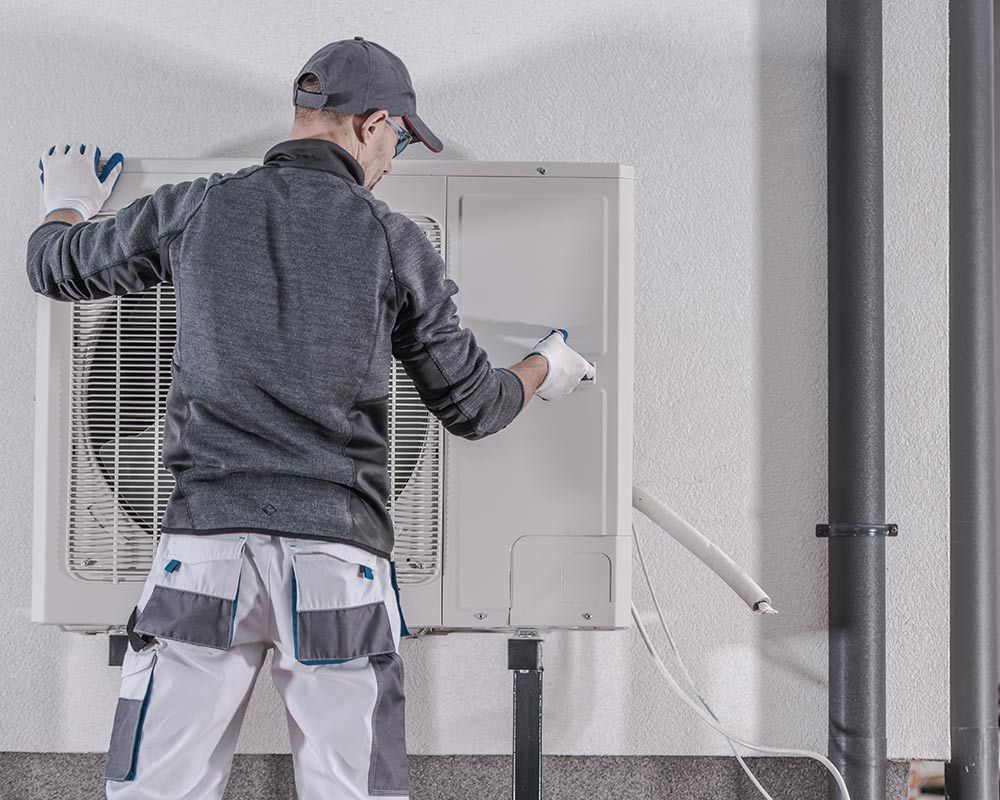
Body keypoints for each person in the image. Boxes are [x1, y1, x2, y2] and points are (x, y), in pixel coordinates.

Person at [25, 36, 594, 800]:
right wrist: (546, 368)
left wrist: (68, 200)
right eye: (398, 139)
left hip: (204, 554)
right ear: (372, 123)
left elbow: (53, 265)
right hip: (338, 566)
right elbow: (475, 406)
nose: (393, 159)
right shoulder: (393, 241)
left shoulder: (195, 207)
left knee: (154, 790)